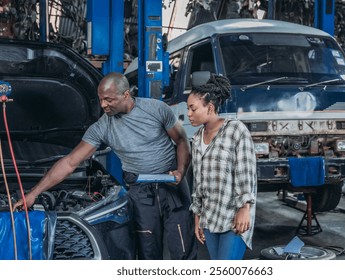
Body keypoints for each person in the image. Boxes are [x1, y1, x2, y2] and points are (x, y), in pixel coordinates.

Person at [13, 72, 197, 260]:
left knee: (182, 248)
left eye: (108, 100)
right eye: (101, 99)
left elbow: (182, 141)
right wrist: (33, 194)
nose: (103, 105)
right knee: (147, 253)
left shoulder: (157, 109)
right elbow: (69, 162)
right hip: (141, 192)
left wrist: (181, 171)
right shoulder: (101, 128)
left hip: (172, 185)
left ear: (126, 95)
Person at [187, 73, 257, 260]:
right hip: (209, 218)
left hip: (233, 217)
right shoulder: (196, 139)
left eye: (193, 109)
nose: (188, 114)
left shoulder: (235, 130)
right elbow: (198, 183)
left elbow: (246, 172)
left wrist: (244, 208)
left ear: (210, 107)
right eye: (188, 109)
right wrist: (197, 217)